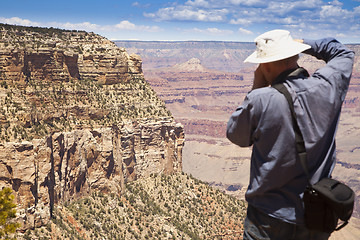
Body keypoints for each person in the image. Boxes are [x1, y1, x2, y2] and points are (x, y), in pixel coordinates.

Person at [226, 29, 354, 240]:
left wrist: (256, 86)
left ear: (265, 65)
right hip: (317, 215)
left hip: (268, 219)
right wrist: (303, 42)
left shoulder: (261, 100)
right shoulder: (328, 86)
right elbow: (344, 54)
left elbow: (236, 135)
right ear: (295, 55)